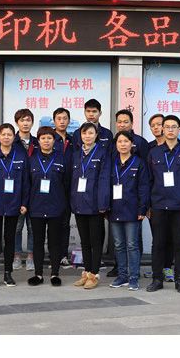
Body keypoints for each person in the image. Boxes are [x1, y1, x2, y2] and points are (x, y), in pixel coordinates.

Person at [146, 115, 180, 294]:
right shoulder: (154, 152)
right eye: (167, 127)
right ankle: (157, 279)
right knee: (158, 244)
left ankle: (179, 280)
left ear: (179, 130)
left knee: (179, 244)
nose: (170, 130)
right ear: (162, 129)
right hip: (158, 205)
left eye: (173, 127)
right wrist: (147, 205)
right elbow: (148, 181)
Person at [0, 123, 30, 287]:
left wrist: (24, 202)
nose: (6, 137)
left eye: (9, 135)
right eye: (3, 134)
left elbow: (26, 182)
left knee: (10, 239)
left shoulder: (20, 156)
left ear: (13, 137)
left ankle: (8, 273)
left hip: (14, 204)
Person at [107, 109, 150, 278]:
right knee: (118, 243)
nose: (122, 124)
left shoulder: (141, 145)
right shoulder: (112, 146)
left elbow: (144, 180)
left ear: (132, 123)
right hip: (116, 205)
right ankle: (120, 270)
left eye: (126, 121)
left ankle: (134, 273)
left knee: (133, 242)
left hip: (133, 203)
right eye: (119, 121)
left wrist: (143, 207)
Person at [26, 126, 70, 286]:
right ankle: (38, 274)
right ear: (38, 141)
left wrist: (64, 204)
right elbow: (27, 184)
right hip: (36, 206)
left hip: (56, 207)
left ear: (54, 140)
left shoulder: (62, 158)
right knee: (37, 242)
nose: (46, 141)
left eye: (49, 138)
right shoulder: (31, 159)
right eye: (43, 138)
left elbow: (67, 183)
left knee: (54, 242)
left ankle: (54, 274)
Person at [70, 122, 110, 289]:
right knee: (84, 241)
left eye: (91, 133)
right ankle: (86, 272)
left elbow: (104, 180)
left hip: (95, 205)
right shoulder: (76, 154)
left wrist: (103, 204)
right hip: (79, 203)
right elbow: (72, 181)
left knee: (95, 242)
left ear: (96, 135)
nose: (87, 136)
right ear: (80, 136)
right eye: (84, 133)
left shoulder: (102, 153)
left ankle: (94, 274)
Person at [146, 113, 173, 281]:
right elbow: (146, 177)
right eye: (153, 125)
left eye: (159, 124)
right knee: (157, 237)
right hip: (156, 201)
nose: (156, 127)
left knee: (171, 237)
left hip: (174, 200)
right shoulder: (149, 148)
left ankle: (168, 268)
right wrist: (147, 204)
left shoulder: (177, 147)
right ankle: (157, 269)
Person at [13, 108, 39, 273]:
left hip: (35, 190)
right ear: (17, 122)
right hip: (17, 191)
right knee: (16, 227)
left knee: (32, 227)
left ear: (32, 122)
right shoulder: (12, 142)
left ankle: (30, 256)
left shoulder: (37, 142)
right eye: (22, 120)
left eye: (28, 120)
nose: (25, 123)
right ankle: (16, 256)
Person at [52, 107, 74, 268]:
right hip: (52, 186)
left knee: (65, 223)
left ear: (69, 121)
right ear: (54, 121)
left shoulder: (73, 140)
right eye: (59, 118)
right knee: (53, 223)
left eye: (65, 118)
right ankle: (53, 254)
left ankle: (63, 255)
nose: (62, 121)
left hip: (69, 187)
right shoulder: (49, 138)